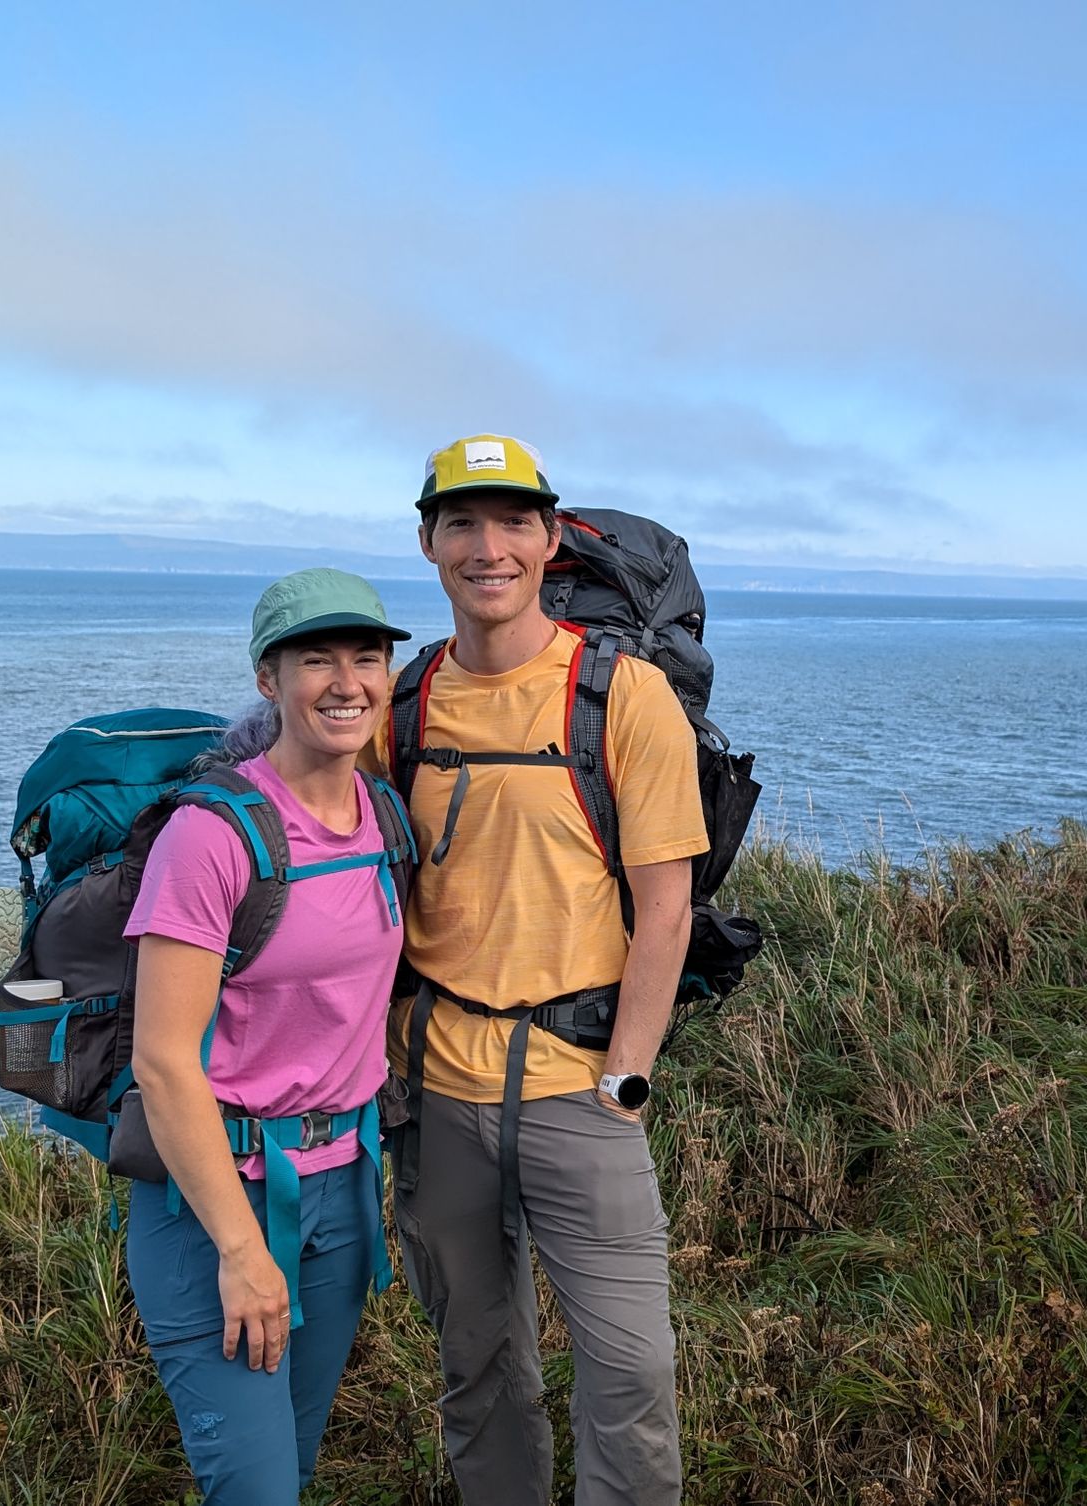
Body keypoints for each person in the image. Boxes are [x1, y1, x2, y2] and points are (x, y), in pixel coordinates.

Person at [376, 434, 705, 1505]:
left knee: (631, 1372)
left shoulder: (623, 696)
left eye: (513, 522)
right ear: (428, 542)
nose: (489, 547)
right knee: (477, 1371)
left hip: (580, 1088)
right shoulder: (405, 701)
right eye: (462, 522)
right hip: (436, 1092)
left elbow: (665, 909)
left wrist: (629, 1074)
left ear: (550, 540)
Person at [123, 569, 413, 1504]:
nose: (346, 682)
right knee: (253, 1490)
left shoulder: (386, 816)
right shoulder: (212, 836)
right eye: (314, 659)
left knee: (292, 1467)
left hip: (342, 1190)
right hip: (217, 1209)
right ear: (267, 679)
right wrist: (243, 1254)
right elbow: (163, 1065)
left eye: (366, 658)